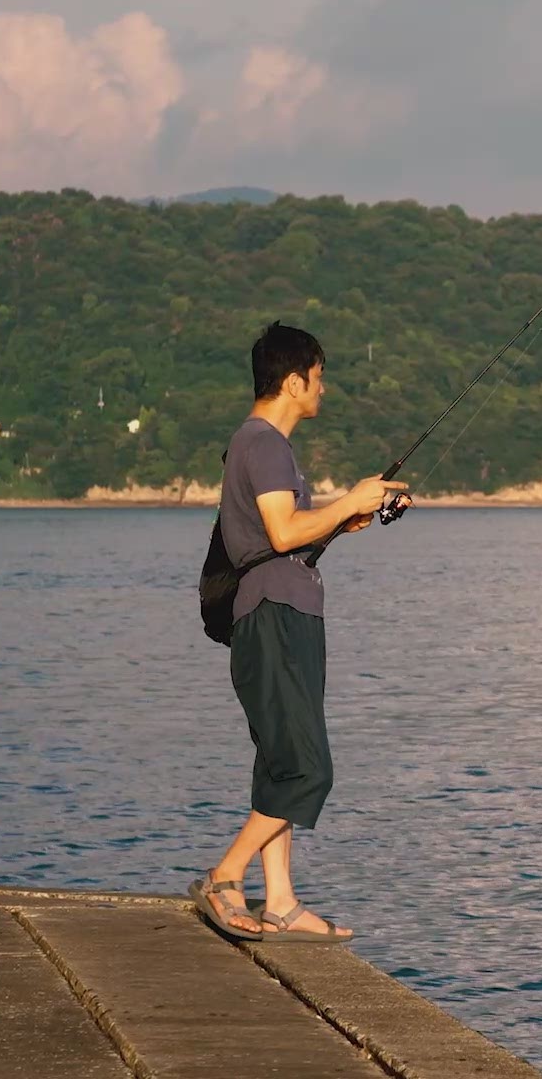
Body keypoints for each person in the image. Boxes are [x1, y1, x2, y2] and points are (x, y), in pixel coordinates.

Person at [190, 321, 409, 942]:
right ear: (293, 381)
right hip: (274, 618)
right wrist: (351, 498)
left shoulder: (257, 445)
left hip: (281, 612)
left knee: (279, 760)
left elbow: (281, 536)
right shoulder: (263, 444)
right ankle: (224, 877)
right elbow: (284, 535)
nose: (324, 389)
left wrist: (348, 516)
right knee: (307, 768)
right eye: (318, 378)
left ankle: (280, 900)